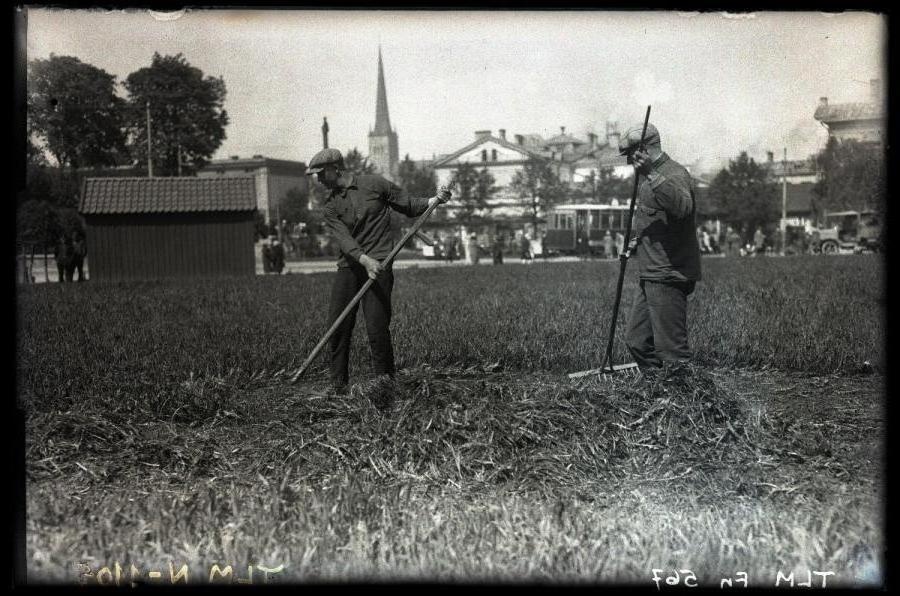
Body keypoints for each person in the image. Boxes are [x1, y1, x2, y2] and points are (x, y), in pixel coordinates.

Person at [308, 148, 451, 394]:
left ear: (336, 168)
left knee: (377, 326)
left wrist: (434, 200)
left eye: (321, 173)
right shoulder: (330, 206)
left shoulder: (374, 184)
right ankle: (338, 385)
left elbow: (408, 204)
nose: (318, 179)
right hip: (350, 267)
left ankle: (384, 383)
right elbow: (344, 240)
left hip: (382, 263)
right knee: (338, 325)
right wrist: (364, 260)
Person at [618, 122, 701, 375]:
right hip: (651, 273)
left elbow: (683, 208)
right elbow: (660, 221)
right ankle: (657, 393)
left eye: (630, 154)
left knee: (672, 351)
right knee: (638, 342)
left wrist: (652, 174)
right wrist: (638, 240)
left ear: (643, 150)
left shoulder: (674, 174)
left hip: (669, 274)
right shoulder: (647, 180)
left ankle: (688, 405)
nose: (628, 161)